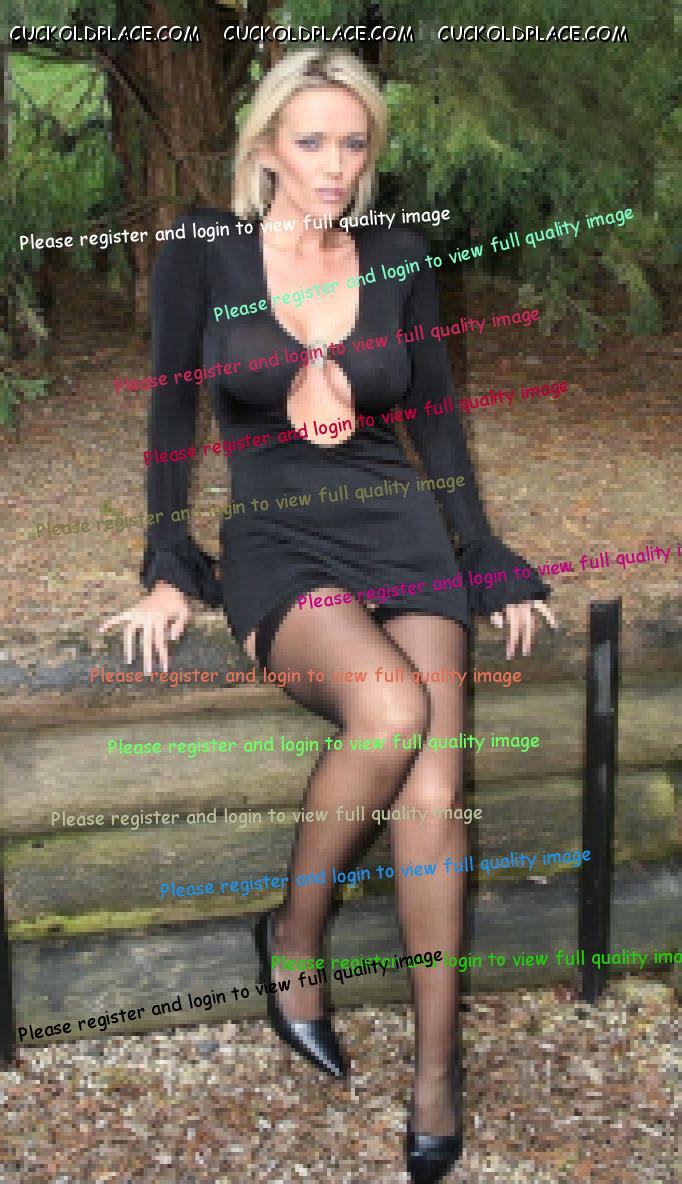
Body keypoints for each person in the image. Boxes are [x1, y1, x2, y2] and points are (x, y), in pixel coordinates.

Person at [101, 48, 556, 1184]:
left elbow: (437, 423)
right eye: (311, 140)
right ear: (264, 147)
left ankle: (437, 1072)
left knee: (437, 789)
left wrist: (482, 555)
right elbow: (169, 415)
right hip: (281, 540)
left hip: (402, 532)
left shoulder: (396, 255)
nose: (335, 164)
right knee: (390, 710)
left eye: (353, 143)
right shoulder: (206, 249)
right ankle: (294, 939)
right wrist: (168, 560)